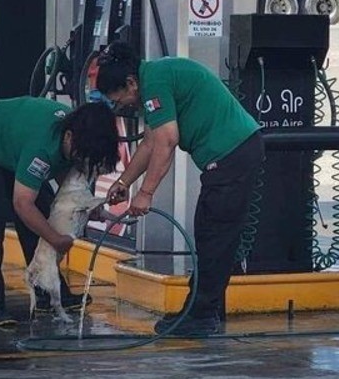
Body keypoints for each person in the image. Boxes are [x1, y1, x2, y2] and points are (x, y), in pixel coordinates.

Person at [97, 41, 264, 337]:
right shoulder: (154, 79)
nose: (119, 107)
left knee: (213, 235)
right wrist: (124, 183)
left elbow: (166, 141)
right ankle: (203, 310)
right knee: (212, 234)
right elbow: (149, 143)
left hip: (232, 153)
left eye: (118, 99)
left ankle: (201, 315)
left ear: (131, 82)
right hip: (232, 153)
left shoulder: (156, 82)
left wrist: (146, 194)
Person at [0, 97, 120, 327]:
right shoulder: (42, 148)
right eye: (79, 157)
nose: (80, 162)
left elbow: (67, 187)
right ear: (68, 137)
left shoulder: (77, 136)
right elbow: (22, 204)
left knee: (43, 211)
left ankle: (48, 293)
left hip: (11, 148)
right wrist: (55, 239)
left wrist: (89, 207)